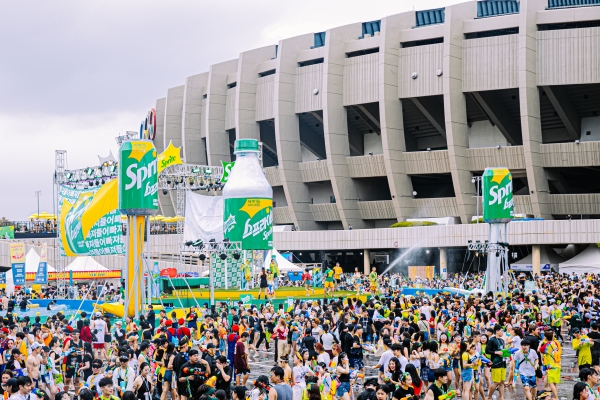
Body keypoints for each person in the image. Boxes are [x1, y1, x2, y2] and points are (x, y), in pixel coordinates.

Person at [485, 324, 506, 400]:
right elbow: (487, 350)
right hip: (496, 363)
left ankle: (502, 398)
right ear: (497, 331)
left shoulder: (502, 340)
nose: (502, 332)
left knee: (502, 382)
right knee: (496, 382)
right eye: (501, 330)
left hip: (503, 363)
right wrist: (496, 352)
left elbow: (503, 350)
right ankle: (489, 396)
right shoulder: (492, 340)